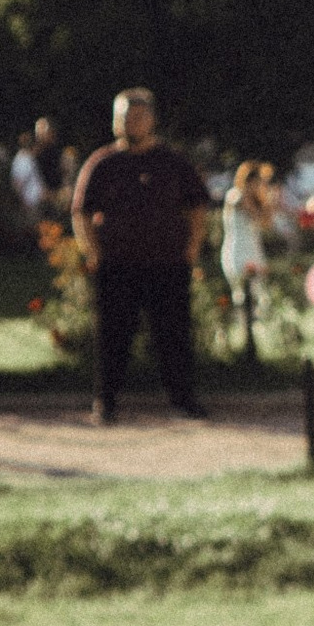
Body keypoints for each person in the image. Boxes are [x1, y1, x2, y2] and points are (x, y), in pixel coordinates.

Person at [71, 87, 212, 425]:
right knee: (112, 337)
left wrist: (191, 248)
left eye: (138, 116)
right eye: (124, 117)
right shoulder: (103, 163)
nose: (131, 123)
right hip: (118, 265)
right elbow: (81, 212)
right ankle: (106, 403)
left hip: (167, 264)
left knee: (174, 336)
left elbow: (197, 208)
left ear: (151, 120)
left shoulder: (173, 161)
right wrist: (93, 251)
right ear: (115, 122)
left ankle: (183, 401)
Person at [220, 160, 281, 304]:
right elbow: (256, 216)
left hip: (253, 250)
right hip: (238, 251)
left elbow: (267, 224)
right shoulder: (235, 196)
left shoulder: (256, 200)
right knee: (242, 296)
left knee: (259, 297)